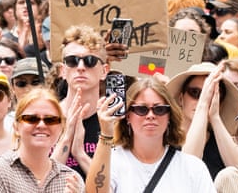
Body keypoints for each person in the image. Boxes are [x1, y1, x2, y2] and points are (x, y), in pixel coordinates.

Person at [87, 78, 216, 193]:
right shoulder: (112, 161)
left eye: (159, 109)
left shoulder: (193, 167)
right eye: (141, 109)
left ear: (169, 116)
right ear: (128, 116)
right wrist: (106, 133)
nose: (150, 116)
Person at [0, 88, 85, 193]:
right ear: (16, 127)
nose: (41, 125)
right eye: (31, 119)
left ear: (61, 129)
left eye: (50, 120)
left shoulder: (71, 179)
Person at [168, 63, 238, 179]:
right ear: (181, 99)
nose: (203, 99)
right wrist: (202, 105)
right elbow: (187, 172)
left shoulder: (223, 141)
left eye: (211, 95)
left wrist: (215, 117)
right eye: (195, 93)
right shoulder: (164, 139)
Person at [57, 26, 110, 177]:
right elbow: (38, 183)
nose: (80, 67)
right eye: (72, 61)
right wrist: (66, 139)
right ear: (62, 71)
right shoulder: (45, 117)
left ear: (104, 71)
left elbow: (114, 186)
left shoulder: (114, 122)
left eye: (90, 61)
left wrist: (79, 153)